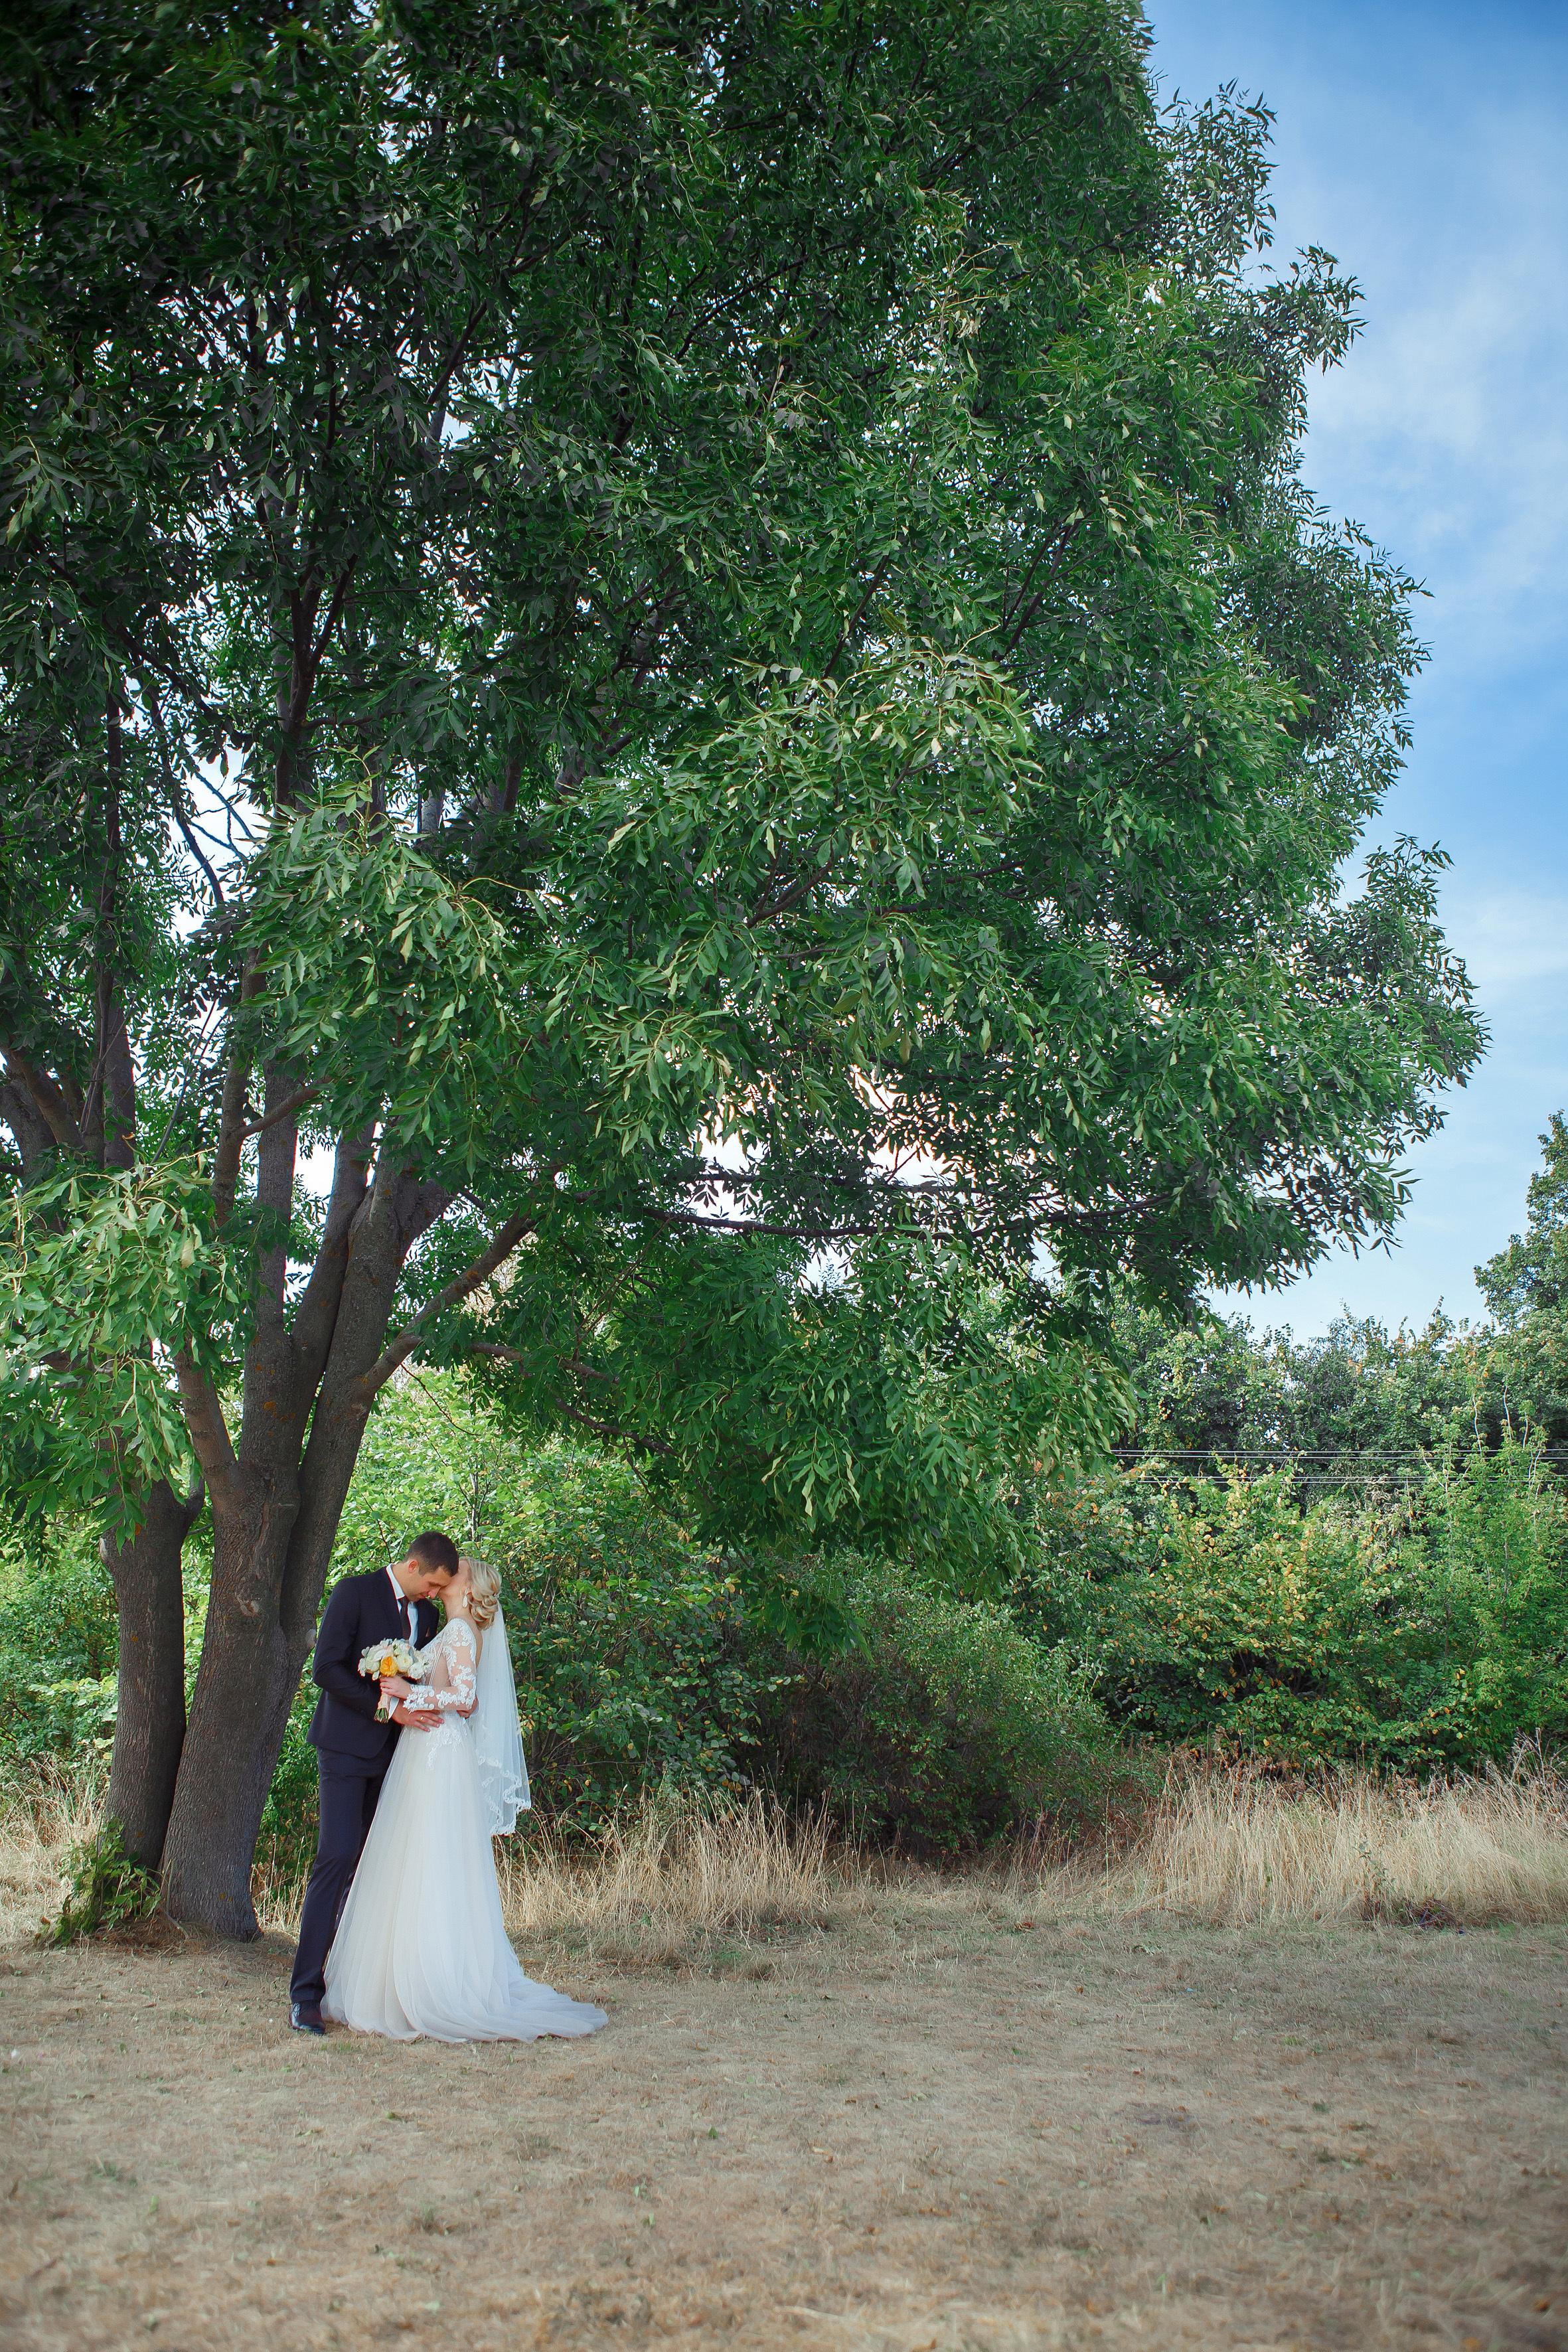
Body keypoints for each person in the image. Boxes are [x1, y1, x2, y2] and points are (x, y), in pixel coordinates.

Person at [321, 1554, 607, 2043]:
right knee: (415, 1855)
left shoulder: (458, 1632)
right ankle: (406, 1972)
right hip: (426, 1746)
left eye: (461, 1568)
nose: (454, 1568)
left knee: (429, 1856)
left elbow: (466, 1698)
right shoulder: (448, 1624)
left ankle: (433, 1981)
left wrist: (408, 1696)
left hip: (438, 1746)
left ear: (469, 1586)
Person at [289, 1530, 459, 2035]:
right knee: (336, 1857)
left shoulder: (426, 1617)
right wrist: (390, 1709)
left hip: (397, 1760)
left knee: (374, 1870)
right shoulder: (353, 1591)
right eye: (431, 1584)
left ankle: (354, 1986)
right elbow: (326, 1669)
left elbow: (426, 1679)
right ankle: (304, 1996)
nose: (432, 1595)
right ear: (411, 1565)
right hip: (344, 1749)